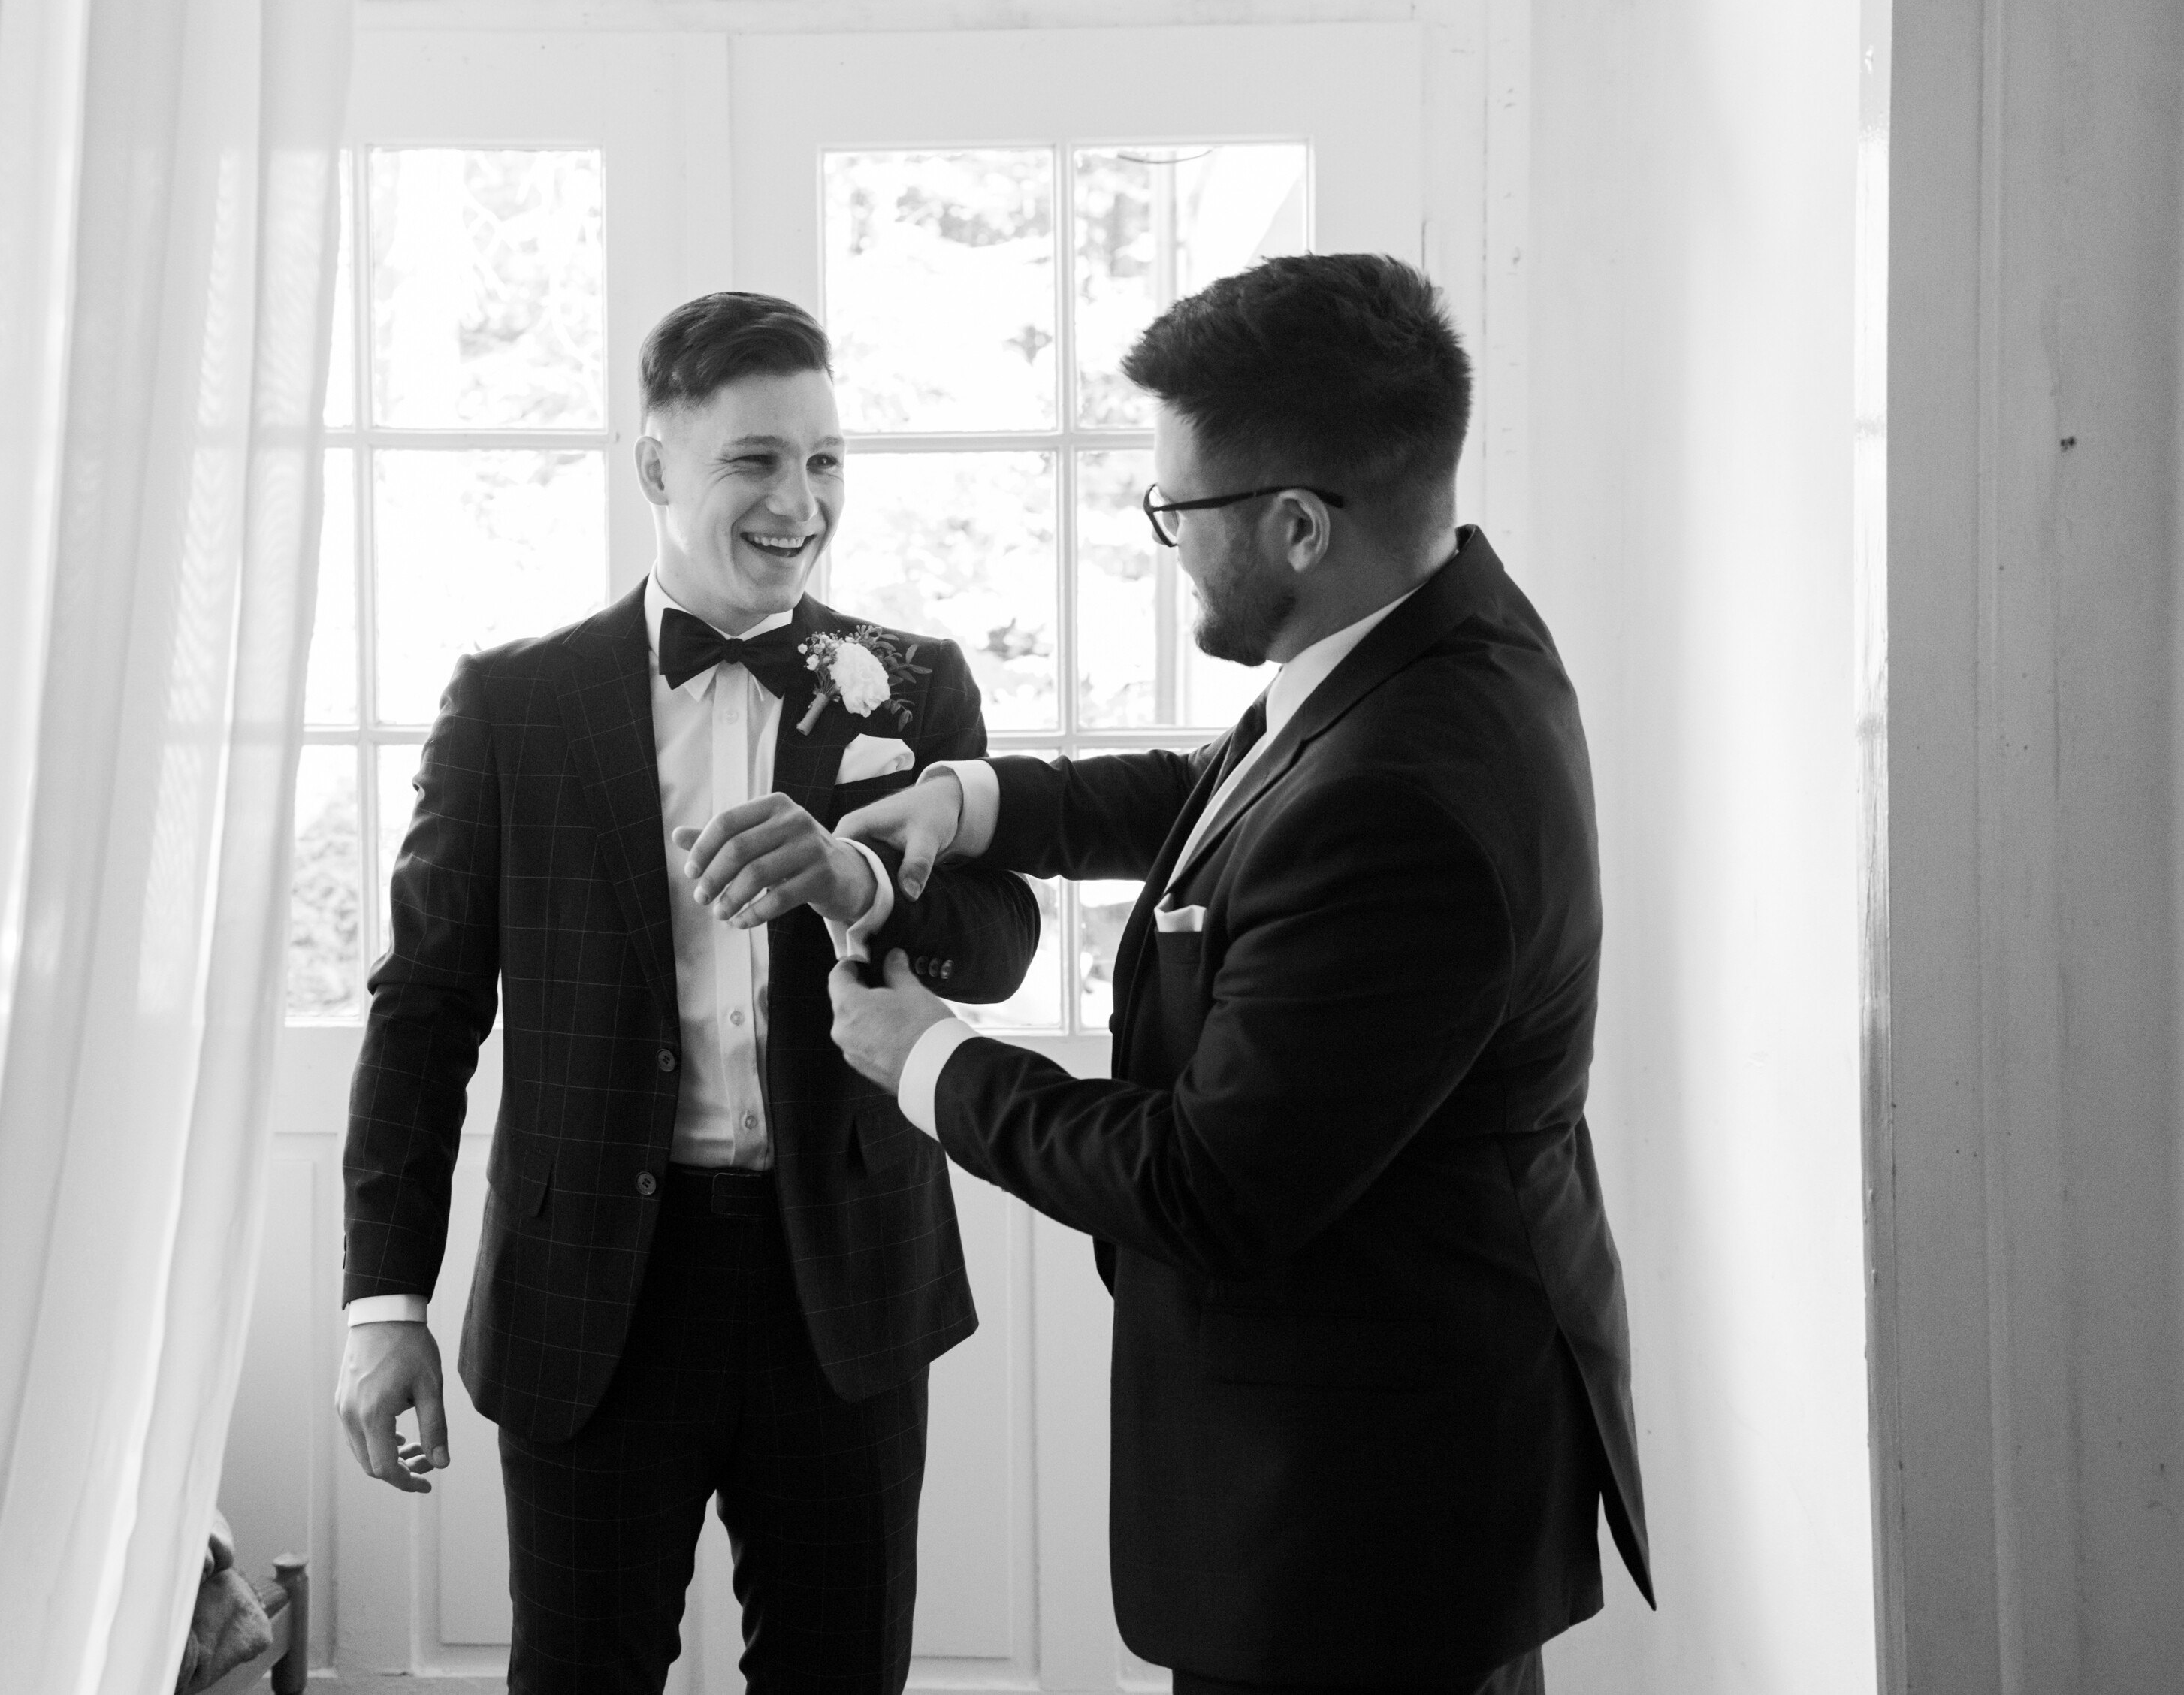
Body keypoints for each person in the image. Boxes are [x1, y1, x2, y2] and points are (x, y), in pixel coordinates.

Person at [825, 255, 1651, 1695]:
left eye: (1176, 510)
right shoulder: (1432, 634)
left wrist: (929, 1059)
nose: (1167, 541)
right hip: (1395, 1446)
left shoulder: (1407, 794)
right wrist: (971, 800)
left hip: (1363, 1522)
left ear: (1298, 525)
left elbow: (1207, 1183)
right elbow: (1227, 790)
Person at [334, 292, 1041, 1695]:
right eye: (756, 460)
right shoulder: (512, 706)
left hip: (841, 1284)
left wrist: (861, 883)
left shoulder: (914, 687)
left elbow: (1001, 938)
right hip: (593, 1293)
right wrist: (382, 1304)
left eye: (825, 460)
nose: (801, 502)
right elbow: (422, 1012)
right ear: (655, 466)